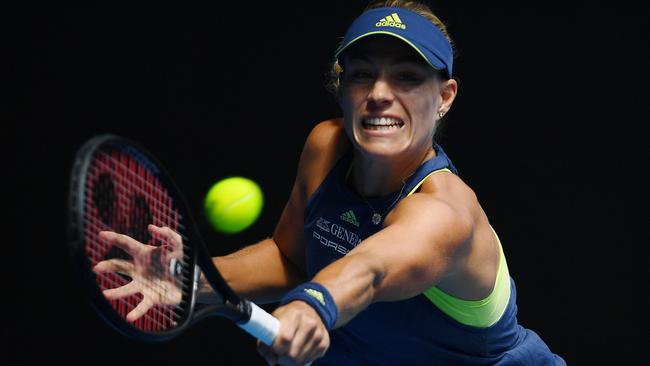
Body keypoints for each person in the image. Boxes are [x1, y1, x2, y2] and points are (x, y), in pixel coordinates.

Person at [97, 1, 566, 365]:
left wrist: (313, 306)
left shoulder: (446, 211)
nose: (380, 94)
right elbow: (291, 258)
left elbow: (372, 269)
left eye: (406, 77)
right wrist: (196, 281)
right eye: (362, 75)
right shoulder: (326, 147)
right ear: (342, 87)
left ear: (444, 97)